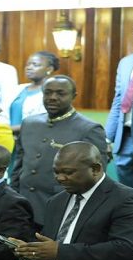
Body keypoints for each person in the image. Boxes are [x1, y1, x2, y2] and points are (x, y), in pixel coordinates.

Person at [11, 76, 108, 225]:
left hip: (60, 207)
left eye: (60, 93)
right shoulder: (29, 123)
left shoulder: (89, 129)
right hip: (22, 205)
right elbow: (18, 165)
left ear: (73, 96)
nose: (52, 98)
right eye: (48, 93)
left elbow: (96, 176)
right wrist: (13, 197)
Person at [107, 22, 133, 189]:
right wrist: (107, 137)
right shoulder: (126, 63)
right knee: (129, 195)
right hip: (125, 139)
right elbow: (119, 100)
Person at [9, 51, 59, 134]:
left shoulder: (52, 93)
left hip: (33, 138)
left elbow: (42, 122)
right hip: (9, 136)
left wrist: (7, 129)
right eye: (28, 64)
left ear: (49, 69)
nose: (29, 67)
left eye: (35, 65)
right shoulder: (18, 88)